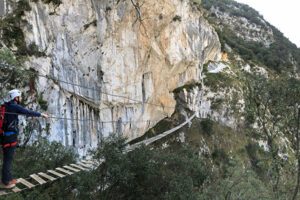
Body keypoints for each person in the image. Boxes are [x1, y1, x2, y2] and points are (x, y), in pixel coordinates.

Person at [0, 89, 48, 189]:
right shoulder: (14, 106)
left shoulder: (6, 105)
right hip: (10, 137)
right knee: (8, 159)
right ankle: (5, 182)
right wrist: (41, 114)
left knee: (9, 158)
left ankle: (9, 177)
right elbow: (27, 112)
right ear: (16, 98)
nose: (21, 98)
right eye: (20, 96)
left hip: (6, 136)